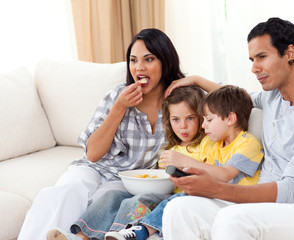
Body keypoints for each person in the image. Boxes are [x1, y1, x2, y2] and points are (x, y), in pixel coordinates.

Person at [162, 17, 294, 240]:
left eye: (262, 57)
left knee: (233, 219)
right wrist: (196, 80)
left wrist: (216, 188)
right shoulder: (274, 97)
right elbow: (236, 99)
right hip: (263, 204)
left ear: (290, 53)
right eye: (252, 59)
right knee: (179, 210)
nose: (254, 68)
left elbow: (292, 191)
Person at [18, 28, 187, 240]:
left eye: (149, 59)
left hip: (127, 180)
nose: (139, 67)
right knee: (66, 191)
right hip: (95, 168)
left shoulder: (181, 102)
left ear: (166, 62)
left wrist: (195, 80)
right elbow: (93, 155)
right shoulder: (118, 94)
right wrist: (119, 107)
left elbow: (225, 98)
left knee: (103, 203)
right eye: (133, 60)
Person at [46, 85, 207, 240]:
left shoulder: (206, 143)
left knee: (137, 201)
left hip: (175, 195)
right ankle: (81, 236)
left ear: (201, 117)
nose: (183, 126)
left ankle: (117, 235)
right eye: (176, 120)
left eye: (190, 118)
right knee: (112, 195)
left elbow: (227, 96)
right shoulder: (170, 146)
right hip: (159, 189)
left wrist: (197, 80)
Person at [105, 85, 264, 240]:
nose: (203, 125)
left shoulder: (248, 144)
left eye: (208, 119)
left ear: (230, 119)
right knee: (179, 198)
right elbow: (203, 171)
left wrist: (184, 161)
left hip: (236, 200)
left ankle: (142, 230)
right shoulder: (214, 144)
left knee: (179, 200)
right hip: (217, 195)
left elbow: (225, 175)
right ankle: (142, 230)